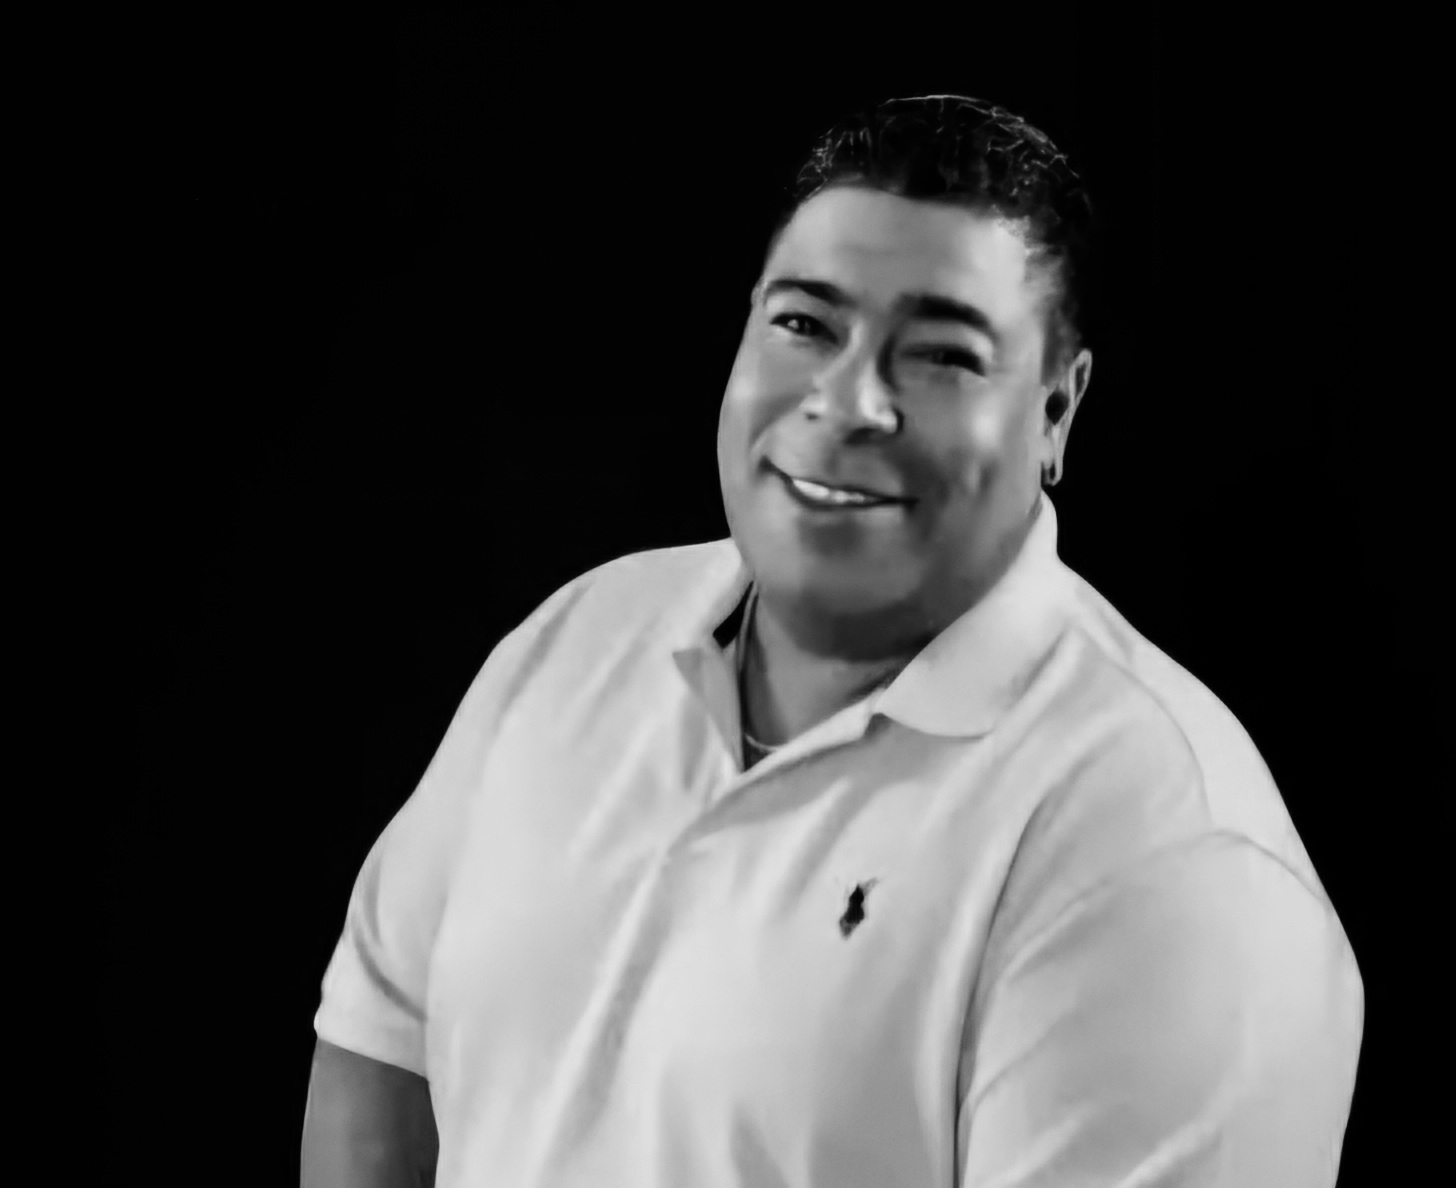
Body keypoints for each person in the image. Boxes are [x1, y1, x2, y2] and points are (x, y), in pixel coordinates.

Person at [301, 94, 1363, 1188]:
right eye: (805, 325)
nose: (848, 401)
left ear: (1056, 411)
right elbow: (382, 1042)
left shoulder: (1166, 855)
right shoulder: (580, 643)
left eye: (941, 354)